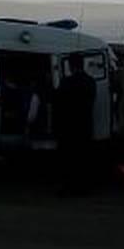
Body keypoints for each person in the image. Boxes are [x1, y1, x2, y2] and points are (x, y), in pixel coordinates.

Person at [54, 54, 96, 193]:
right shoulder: (91, 82)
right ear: (82, 64)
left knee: (68, 159)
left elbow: (58, 103)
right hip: (85, 125)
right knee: (83, 158)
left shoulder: (66, 82)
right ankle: (83, 188)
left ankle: (68, 187)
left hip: (69, 127)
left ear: (71, 66)